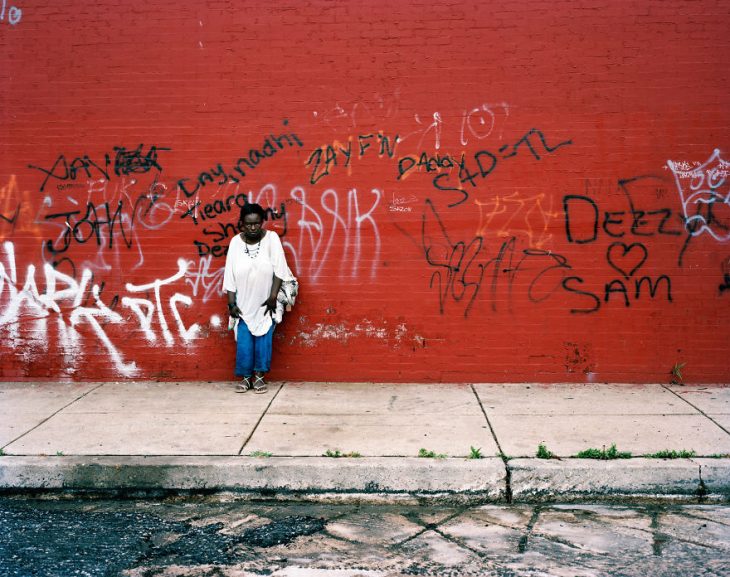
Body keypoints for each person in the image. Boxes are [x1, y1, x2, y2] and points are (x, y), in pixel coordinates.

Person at [223, 203, 291, 394]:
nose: (252, 228)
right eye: (248, 224)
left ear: (262, 222)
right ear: (241, 224)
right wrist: (231, 303)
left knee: (263, 340)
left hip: (266, 302)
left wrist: (272, 297)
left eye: (256, 224)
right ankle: (246, 378)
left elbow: (280, 269)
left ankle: (260, 377)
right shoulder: (236, 242)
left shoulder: (272, 239)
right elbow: (230, 275)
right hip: (243, 302)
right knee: (244, 341)